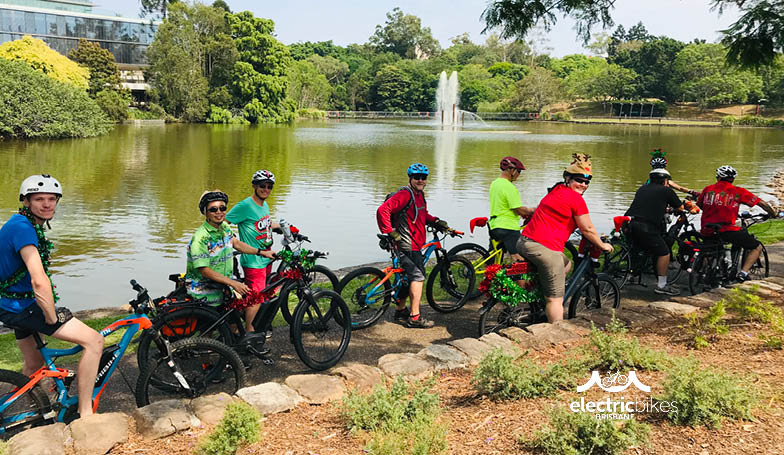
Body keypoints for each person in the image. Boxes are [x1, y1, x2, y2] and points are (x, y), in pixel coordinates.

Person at [0, 175, 104, 418]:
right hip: (20, 306)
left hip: (9, 303)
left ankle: (30, 411)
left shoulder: (21, 223)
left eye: (51, 199)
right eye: (39, 199)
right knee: (94, 342)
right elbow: (38, 279)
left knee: (34, 364)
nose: (47, 204)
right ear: (26, 201)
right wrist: (50, 315)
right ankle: (86, 414)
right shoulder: (24, 230)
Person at [517, 154, 613, 322]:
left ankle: (539, 301)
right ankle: (555, 333)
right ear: (568, 179)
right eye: (579, 180)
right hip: (543, 247)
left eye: (587, 182)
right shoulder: (576, 199)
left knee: (566, 265)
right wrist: (602, 245)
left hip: (525, 241)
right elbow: (588, 229)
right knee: (555, 300)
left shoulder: (556, 189)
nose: (583, 185)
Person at [376, 163, 452, 328]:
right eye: (416, 177)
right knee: (418, 277)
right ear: (410, 178)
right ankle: (415, 317)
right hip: (407, 244)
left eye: (423, 177)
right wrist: (390, 232)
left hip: (414, 243)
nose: (420, 180)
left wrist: (436, 221)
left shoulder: (419, 195)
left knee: (406, 277)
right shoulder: (405, 194)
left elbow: (421, 215)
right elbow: (383, 210)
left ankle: (400, 310)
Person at [185, 191, 275, 310]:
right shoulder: (201, 238)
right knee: (212, 327)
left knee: (233, 323)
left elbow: (236, 243)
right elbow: (204, 270)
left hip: (224, 288)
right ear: (205, 212)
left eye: (222, 208)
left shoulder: (224, 227)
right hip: (205, 293)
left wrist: (262, 252)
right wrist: (234, 283)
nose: (219, 212)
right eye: (213, 209)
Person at [697, 165, 777, 281]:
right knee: (756, 246)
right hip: (726, 229)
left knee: (709, 247)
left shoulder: (708, 189)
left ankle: (703, 272)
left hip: (706, 228)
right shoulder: (737, 191)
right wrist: (773, 213)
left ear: (718, 177)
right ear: (733, 179)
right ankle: (743, 273)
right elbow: (762, 203)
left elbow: (700, 204)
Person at [226, 171, 280, 334]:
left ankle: (241, 324)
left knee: (263, 291)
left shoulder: (264, 205)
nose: (266, 189)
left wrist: (280, 226)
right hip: (253, 259)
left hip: (266, 256)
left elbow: (263, 223)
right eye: (262, 186)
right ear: (254, 186)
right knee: (256, 298)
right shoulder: (245, 206)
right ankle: (248, 331)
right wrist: (231, 237)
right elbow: (224, 222)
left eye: (269, 186)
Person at [625, 168, 684, 296]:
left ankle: (631, 276)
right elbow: (679, 207)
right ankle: (662, 285)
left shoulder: (642, 188)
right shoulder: (666, 190)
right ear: (665, 180)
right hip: (646, 227)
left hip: (630, 223)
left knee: (637, 249)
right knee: (664, 252)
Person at [488, 156, 536, 261]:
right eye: (518, 171)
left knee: (494, 258)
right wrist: (534, 210)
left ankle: (489, 275)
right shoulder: (509, 187)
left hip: (494, 225)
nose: (519, 174)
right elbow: (518, 209)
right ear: (511, 170)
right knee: (518, 258)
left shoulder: (495, 184)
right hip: (508, 227)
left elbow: (504, 205)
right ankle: (520, 278)